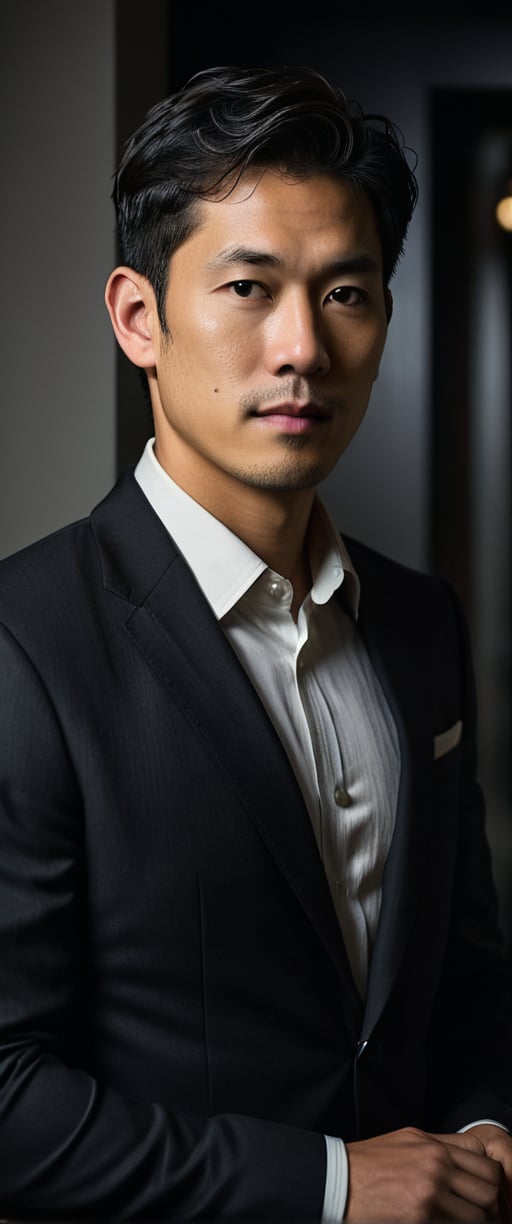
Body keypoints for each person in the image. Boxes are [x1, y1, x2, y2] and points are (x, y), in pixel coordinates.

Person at [0, 63, 511, 1224]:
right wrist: (331, 1185)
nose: (301, 349)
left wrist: (487, 1126)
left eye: (346, 293)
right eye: (247, 287)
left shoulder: (420, 619)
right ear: (140, 317)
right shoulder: (23, 646)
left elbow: (466, 972)